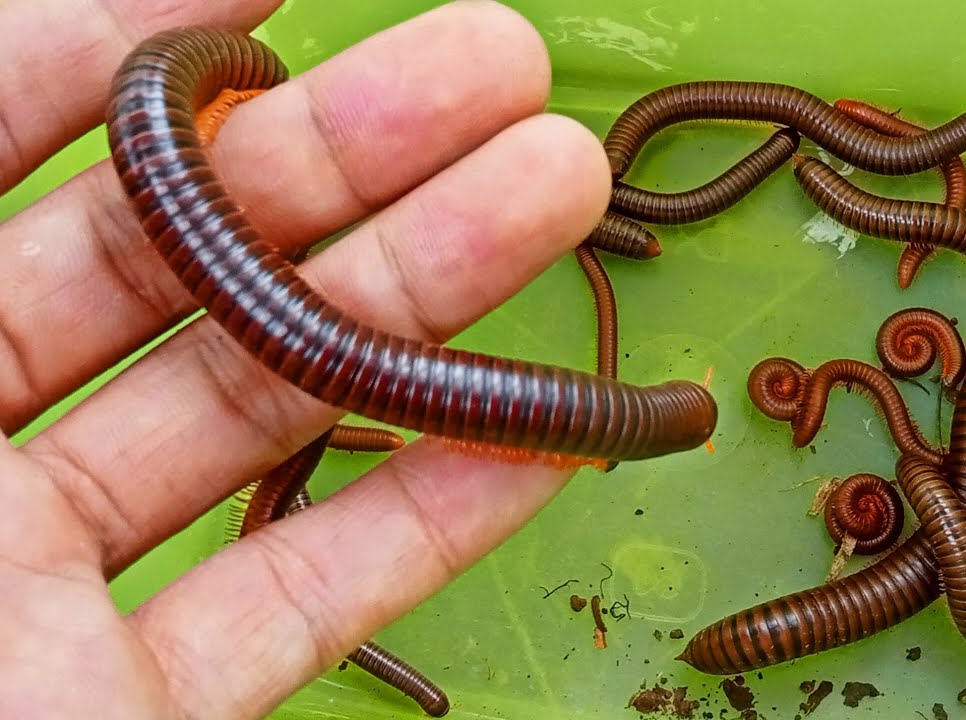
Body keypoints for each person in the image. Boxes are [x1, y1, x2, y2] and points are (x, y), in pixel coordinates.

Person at [0, 1, 609, 716]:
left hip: (176, 110)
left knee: (336, 354)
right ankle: (621, 425)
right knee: (341, 356)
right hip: (171, 109)